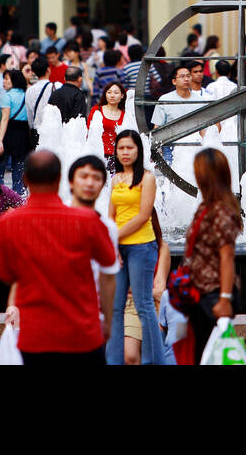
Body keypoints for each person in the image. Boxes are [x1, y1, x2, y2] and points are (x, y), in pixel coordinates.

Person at [0, 151, 116, 364]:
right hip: (83, 335)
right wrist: (106, 320)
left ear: (26, 179)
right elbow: (108, 271)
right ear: (60, 179)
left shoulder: (7, 223)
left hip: (34, 337)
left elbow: (7, 275)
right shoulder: (87, 220)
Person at [106, 130, 168, 366]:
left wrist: (113, 237)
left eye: (129, 148)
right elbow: (111, 215)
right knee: (116, 305)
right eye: (120, 148)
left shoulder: (148, 178)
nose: (124, 152)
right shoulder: (115, 179)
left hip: (142, 246)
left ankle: (155, 360)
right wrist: (112, 242)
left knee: (143, 304)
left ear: (138, 150)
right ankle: (113, 361)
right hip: (118, 248)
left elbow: (143, 216)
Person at [181, 147, 242, 358]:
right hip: (202, 293)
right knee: (202, 354)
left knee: (211, 355)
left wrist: (224, 299)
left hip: (214, 295)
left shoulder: (222, 212)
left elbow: (227, 257)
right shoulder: (207, 207)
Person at [151, 63, 212, 165]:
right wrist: (157, 150)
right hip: (170, 148)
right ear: (174, 81)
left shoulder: (200, 101)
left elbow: (203, 129)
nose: (186, 79)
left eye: (188, 76)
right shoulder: (165, 100)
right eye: (182, 76)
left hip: (194, 146)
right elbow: (157, 127)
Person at [0, 68, 27, 194]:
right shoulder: (26, 94)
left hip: (8, 134)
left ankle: (1, 196)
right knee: (19, 171)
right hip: (23, 135)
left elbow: (5, 119)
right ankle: (18, 198)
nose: (4, 82)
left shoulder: (7, 97)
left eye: (7, 79)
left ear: (14, 81)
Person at [89, 81, 127, 159]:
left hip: (117, 156)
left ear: (122, 95)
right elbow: (88, 131)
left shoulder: (125, 115)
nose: (112, 95)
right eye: (109, 92)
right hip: (98, 154)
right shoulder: (97, 110)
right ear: (105, 94)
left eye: (116, 93)